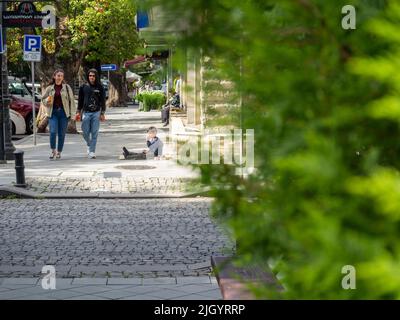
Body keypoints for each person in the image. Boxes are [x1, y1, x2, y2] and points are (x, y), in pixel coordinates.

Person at [41, 69, 76, 160]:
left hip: (64, 113)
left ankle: (59, 152)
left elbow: (71, 102)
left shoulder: (67, 88)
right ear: (54, 76)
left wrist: (73, 116)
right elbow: (42, 99)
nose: (59, 77)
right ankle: (53, 151)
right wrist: (47, 101)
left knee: (62, 134)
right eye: (58, 75)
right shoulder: (50, 88)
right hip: (53, 113)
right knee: (52, 132)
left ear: (63, 77)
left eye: (61, 76)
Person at [76, 69, 106, 159]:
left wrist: (102, 112)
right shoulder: (83, 87)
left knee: (94, 133)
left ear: (96, 76)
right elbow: (80, 100)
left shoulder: (100, 87)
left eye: (93, 76)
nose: (91, 77)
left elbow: (103, 101)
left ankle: (92, 151)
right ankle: (89, 144)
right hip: (86, 112)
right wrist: (78, 111)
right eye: (90, 75)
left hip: (96, 113)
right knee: (85, 132)